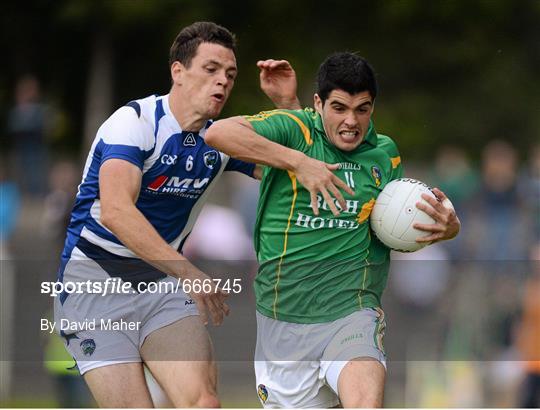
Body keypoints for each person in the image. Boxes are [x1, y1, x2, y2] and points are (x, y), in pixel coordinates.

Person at [54, 22, 315, 408]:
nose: (222, 82)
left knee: (202, 402)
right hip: (95, 287)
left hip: (160, 287)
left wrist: (290, 108)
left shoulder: (220, 140)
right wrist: (190, 273)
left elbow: (294, 173)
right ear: (178, 71)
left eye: (230, 74)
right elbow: (116, 212)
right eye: (211, 70)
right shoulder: (135, 122)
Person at [205, 52, 461, 408]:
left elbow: (397, 230)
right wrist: (300, 163)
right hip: (284, 319)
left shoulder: (385, 155)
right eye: (339, 108)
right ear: (318, 103)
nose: (351, 121)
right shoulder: (296, 130)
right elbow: (219, 133)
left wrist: (445, 229)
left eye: (362, 109)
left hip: (352, 312)